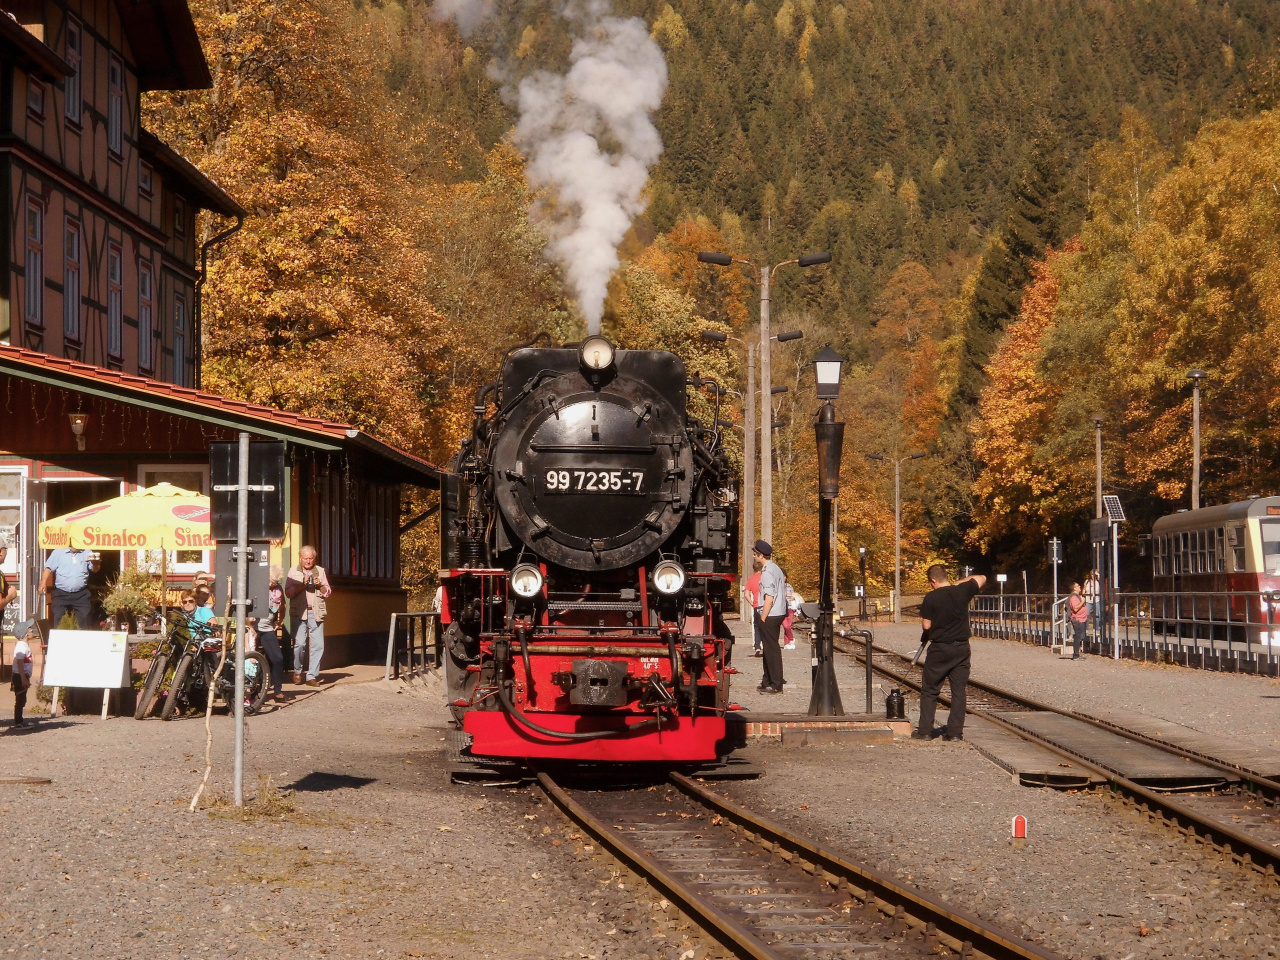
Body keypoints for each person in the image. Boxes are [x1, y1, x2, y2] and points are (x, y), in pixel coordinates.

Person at [914, 564, 987, 741]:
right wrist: (958, 583)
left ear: (933, 580)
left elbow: (926, 625)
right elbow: (982, 577)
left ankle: (925, 731)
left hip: (940, 648)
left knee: (930, 690)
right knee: (958, 690)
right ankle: (954, 733)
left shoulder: (931, 597)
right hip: (961, 648)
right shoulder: (962, 591)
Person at [286, 546, 332, 686]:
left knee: (318, 645)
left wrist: (320, 586)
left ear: (314, 558)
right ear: (300, 557)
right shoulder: (293, 571)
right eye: (305, 558)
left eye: (310, 558)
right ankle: (298, 672)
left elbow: (328, 592)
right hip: (299, 613)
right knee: (300, 644)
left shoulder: (320, 571)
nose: (308, 561)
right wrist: (303, 585)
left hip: (316, 612)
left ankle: (311, 676)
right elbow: (288, 593)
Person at [40, 544, 101, 629]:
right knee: (58, 618)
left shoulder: (87, 552)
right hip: (61, 593)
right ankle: (59, 640)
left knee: (84, 619)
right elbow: (48, 569)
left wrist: (95, 564)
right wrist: (43, 582)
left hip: (81, 594)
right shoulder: (58, 552)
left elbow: (95, 569)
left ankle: (82, 640)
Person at [753, 540, 786, 694]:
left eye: (755, 554)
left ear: (761, 555)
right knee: (768, 648)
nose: (754, 556)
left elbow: (769, 597)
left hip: (770, 614)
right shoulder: (776, 568)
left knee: (771, 649)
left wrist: (763, 617)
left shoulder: (767, 572)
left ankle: (776, 684)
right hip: (778, 612)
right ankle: (767, 680)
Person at [10, 627, 33, 728]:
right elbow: (19, 662)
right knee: (20, 699)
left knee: (22, 699)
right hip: (19, 676)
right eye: (31, 631)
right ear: (26, 634)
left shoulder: (23, 645)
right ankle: (18, 722)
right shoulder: (21, 647)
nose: (33, 633)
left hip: (22, 675)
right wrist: (23, 678)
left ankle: (20, 720)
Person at [745, 558, 763, 656]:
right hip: (766, 606)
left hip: (756, 606)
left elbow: (746, 594)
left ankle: (757, 646)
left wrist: (752, 603)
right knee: (766, 627)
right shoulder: (765, 577)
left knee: (756, 627)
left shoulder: (751, 579)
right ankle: (766, 645)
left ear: (753, 569)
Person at [1067, 581, 1088, 660]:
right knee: (1077, 637)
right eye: (1078, 586)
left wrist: (1085, 587)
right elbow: (1075, 608)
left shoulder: (1077, 596)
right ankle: (1076, 655)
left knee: (1079, 637)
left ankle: (1077, 654)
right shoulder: (1073, 597)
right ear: (1074, 588)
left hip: (1081, 619)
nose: (1079, 587)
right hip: (1077, 619)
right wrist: (1082, 602)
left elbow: (1083, 593)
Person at [1083, 570, 1101, 637]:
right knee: (1087, 615)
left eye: (1095, 575)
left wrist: (1098, 575)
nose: (1093, 576)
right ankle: (1086, 629)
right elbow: (1084, 589)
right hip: (1088, 600)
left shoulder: (1098, 582)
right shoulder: (1087, 581)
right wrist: (1084, 596)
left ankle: (1097, 630)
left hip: (1096, 600)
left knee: (1097, 615)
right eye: (1092, 574)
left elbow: (1101, 583)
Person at [782, 583, 798, 650]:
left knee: (788, 626)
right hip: (782, 608)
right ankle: (791, 638)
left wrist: (794, 597)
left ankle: (787, 643)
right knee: (785, 626)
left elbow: (793, 594)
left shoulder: (789, 586)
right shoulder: (778, 585)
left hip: (790, 607)